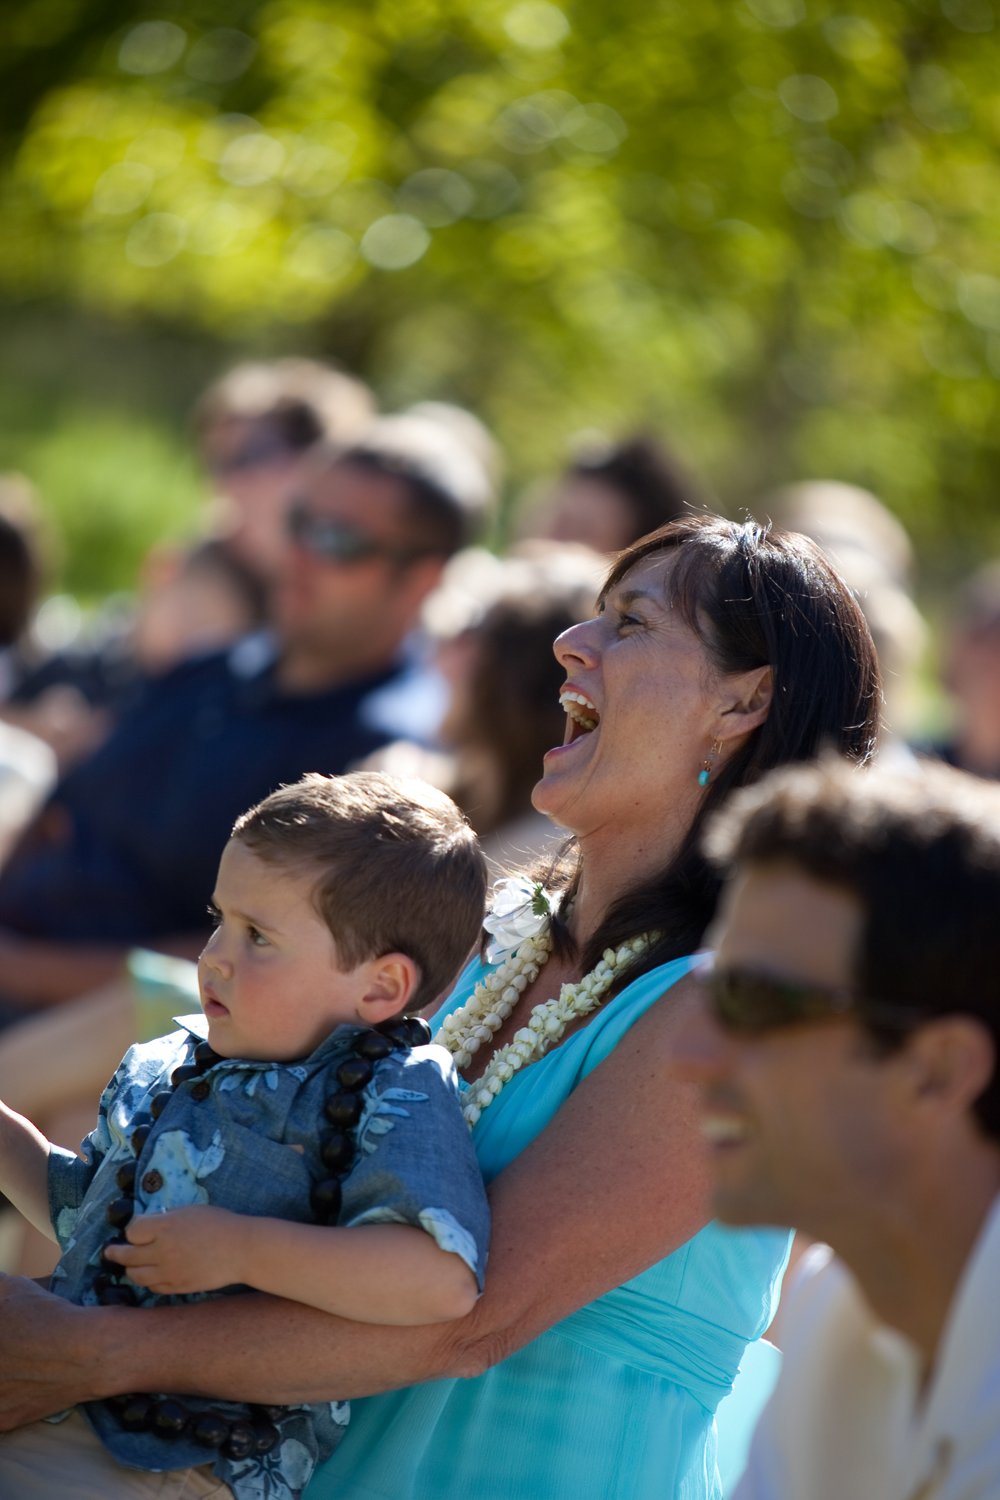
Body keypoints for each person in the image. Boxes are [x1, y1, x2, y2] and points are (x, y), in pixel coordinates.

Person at [0, 515, 881, 1500]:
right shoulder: (498, 927)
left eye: (630, 623)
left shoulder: (734, 1007)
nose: (571, 643)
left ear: (743, 701)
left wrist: (97, 1354)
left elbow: (473, 1321)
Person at [0, 771, 490, 1499]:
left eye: (257, 936)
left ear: (381, 988)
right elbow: (93, 1229)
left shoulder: (392, 1088)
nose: (213, 958)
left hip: (176, 1462)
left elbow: (440, 1278)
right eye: (219, 919)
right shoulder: (180, 1059)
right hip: (57, 1405)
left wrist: (245, 1249)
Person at [0, 412, 495, 1017]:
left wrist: (22, 969)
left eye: (339, 540)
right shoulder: (207, 669)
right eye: (298, 522)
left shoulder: (385, 763)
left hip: (110, 1041)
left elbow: (262, 952)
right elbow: (61, 806)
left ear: (422, 578)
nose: (300, 553)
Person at [677, 757, 1000, 1500]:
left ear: (938, 1071)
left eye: (754, 1000)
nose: (687, 1055)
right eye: (709, 988)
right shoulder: (842, 1304)